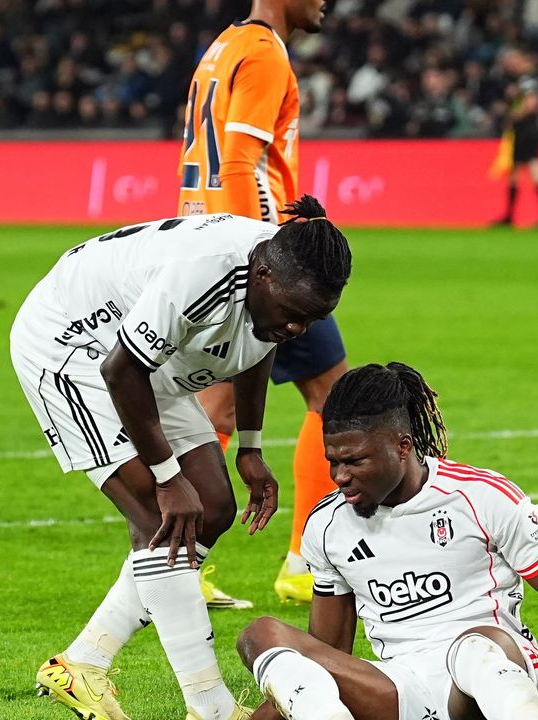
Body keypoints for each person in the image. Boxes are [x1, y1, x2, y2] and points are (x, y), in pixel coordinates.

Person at [12, 197, 352, 720]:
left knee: (212, 507)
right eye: (292, 314)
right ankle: (209, 707)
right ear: (261, 276)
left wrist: (251, 447)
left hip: (142, 357)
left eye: (312, 320)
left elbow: (256, 344)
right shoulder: (202, 273)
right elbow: (121, 370)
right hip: (74, 347)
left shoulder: (275, 280)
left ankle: (82, 663)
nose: (296, 330)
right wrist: (168, 477)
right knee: (160, 516)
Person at [234, 362, 538, 720]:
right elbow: (325, 655)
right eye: (333, 461)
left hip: (491, 676)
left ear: (402, 446)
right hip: (403, 690)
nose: (340, 476)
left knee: (475, 649)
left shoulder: (481, 496)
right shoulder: (327, 525)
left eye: (355, 461)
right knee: (261, 633)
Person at [177, 0, 349, 608]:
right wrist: (263, 254)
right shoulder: (266, 53)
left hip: (208, 243)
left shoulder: (223, 47)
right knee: (331, 394)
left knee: (216, 412)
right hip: (260, 263)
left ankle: (180, 562)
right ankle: (304, 563)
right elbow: (240, 162)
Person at [493, 48, 538, 227]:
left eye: (513, 60)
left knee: (534, 169)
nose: (511, 65)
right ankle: (511, 215)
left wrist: (512, 116)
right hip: (522, 130)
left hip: (528, 130)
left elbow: (532, 104)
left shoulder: (528, 80)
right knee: (515, 172)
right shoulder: (523, 79)